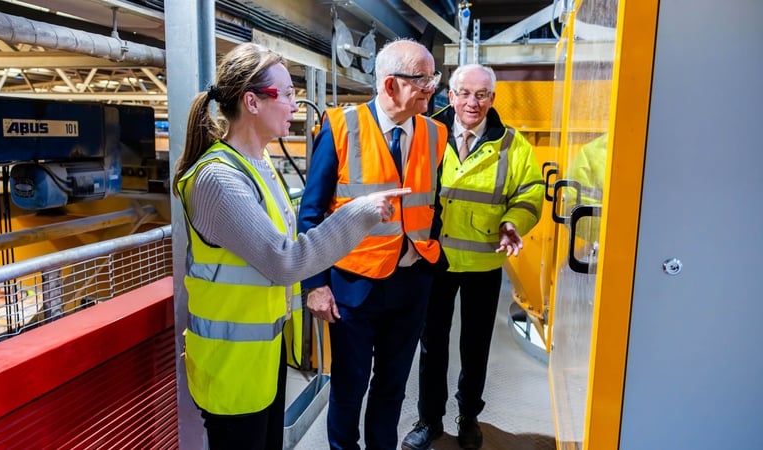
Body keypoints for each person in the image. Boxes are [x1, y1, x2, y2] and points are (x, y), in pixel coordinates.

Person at [171, 42, 410, 450]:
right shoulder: (218, 179)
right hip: (230, 365)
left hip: (261, 357)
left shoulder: (259, 168)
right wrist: (361, 212)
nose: (295, 106)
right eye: (286, 94)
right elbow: (286, 260)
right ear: (252, 102)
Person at [297, 38, 448, 450]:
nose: (432, 87)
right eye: (423, 79)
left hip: (411, 284)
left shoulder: (437, 133)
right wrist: (315, 285)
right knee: (349, 388)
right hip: (352, 287)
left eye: (432, 77)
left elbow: (433, 204)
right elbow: (311, 214)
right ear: (390, 85)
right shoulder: (341, 127)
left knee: (392, 388)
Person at [401, 63, 544, 450]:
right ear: (451, 95)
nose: (472, 102)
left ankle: (468, 417)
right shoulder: (425, 135)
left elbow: (530, 193)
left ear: (493, 99)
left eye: (482, 95)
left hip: (483, 261)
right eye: (464, 93)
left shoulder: (513, 145)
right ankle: (429, 420)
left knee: (475, 347)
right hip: (435, 259)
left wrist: (514, 221)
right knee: (432, 347)